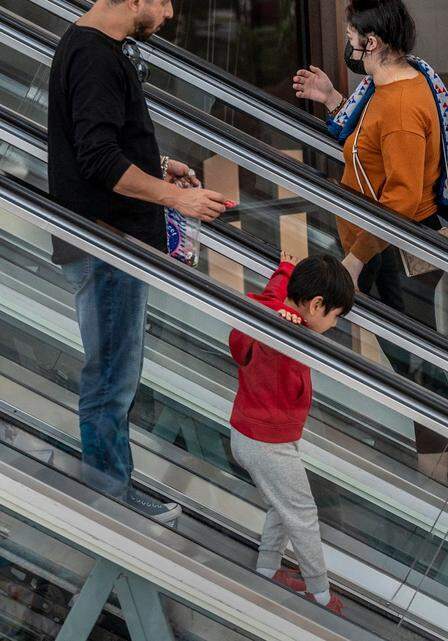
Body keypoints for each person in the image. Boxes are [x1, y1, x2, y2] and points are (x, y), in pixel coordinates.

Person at [48, 0, 231, 521]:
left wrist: (158, 166)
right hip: (108, 247)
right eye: (164, 1)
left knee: (115, 375)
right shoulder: (94, 58)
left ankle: (115, 492)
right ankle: (112, 506)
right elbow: (98, 159)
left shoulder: (96, 49)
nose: (170, 13)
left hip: (112, 243)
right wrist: (177, 199)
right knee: (111, 378)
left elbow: (104, 143)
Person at [292, 0, 448, 482]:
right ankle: (434, 461)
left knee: (418, 366)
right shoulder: (386, 87)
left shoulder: (401, 105)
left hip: (391, 256)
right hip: (379, 252)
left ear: (372, 42)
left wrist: (354, 259)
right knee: (412, 359)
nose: (349, 45)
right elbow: (368, 142)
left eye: (352, 36)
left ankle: (436, 473)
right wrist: (333, 99)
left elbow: (402, 199)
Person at [229, 252, 354, 614]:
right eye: (335, 316)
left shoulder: (284, 311)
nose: (335, 324)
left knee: (281, 504)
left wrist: (285, 270)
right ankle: (318, 593)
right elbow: (265, 312)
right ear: (316, 305)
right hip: (266, 442)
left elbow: (274, 293)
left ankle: (268, 568)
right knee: (302, 513)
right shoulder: (280, 331)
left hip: (261, 435)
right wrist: (280, 325)